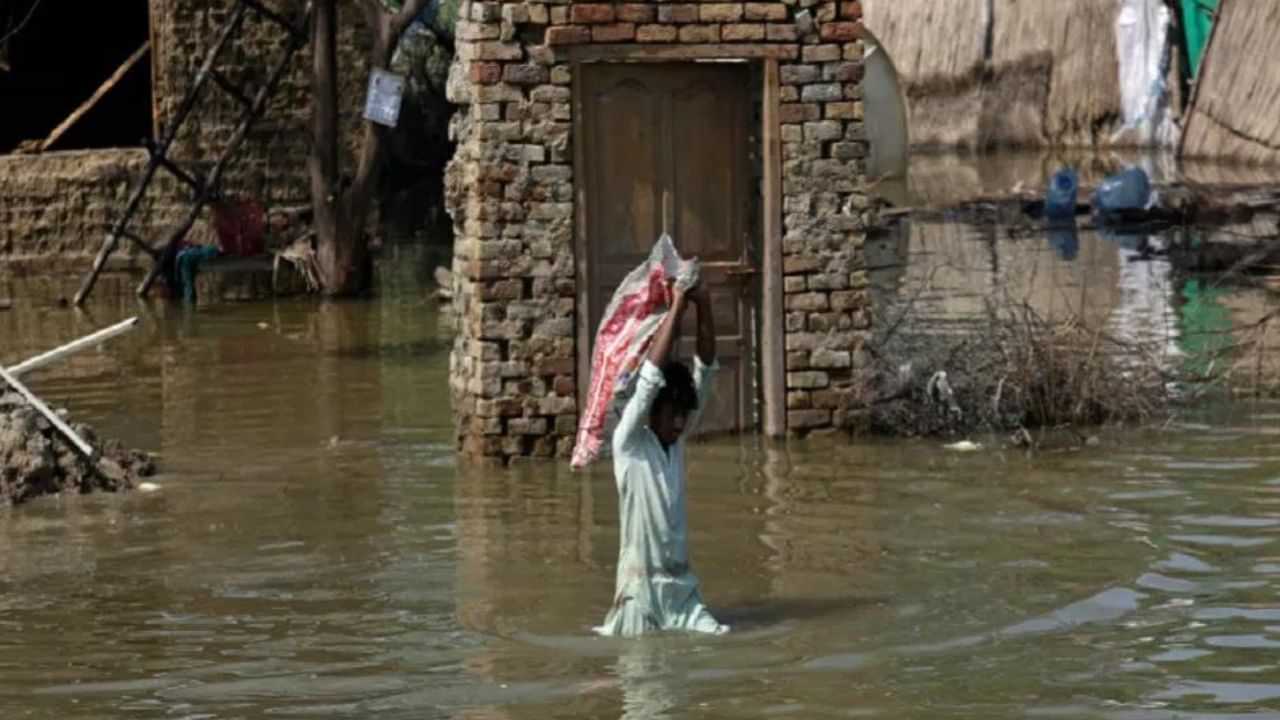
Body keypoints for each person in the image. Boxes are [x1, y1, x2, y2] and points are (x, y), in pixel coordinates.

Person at [595, 277, 728, 637]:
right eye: (673, 413)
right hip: (639, 592)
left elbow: (707, 368)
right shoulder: (630, 443)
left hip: (683, 590)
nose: (680, 422)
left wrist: (704, 305)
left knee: (720, 642)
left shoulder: (677, 440)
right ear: (653, 411)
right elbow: (649, 380)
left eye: (684, 414)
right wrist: (677, 306)